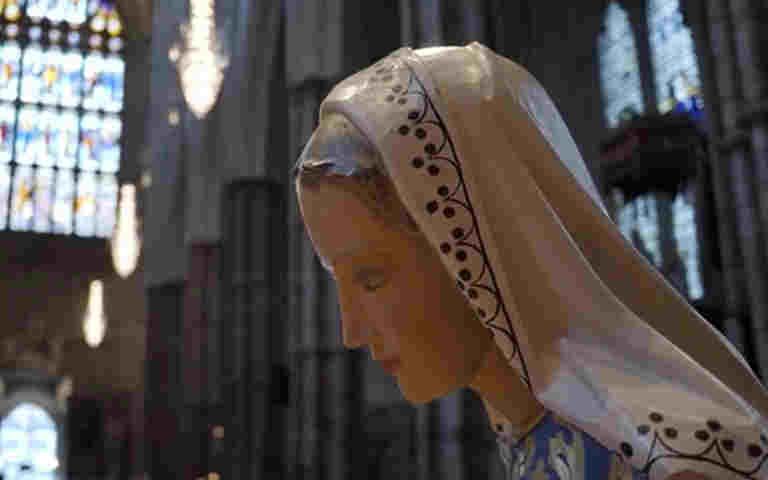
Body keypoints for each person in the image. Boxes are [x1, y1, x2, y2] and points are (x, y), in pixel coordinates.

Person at [293, 43, 768, 479]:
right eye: (339, 280)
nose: (351, 332)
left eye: (371, 277)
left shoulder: (676, 466)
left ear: (481, 238)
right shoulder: (531, 434)